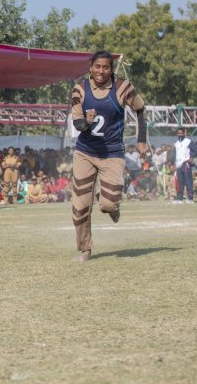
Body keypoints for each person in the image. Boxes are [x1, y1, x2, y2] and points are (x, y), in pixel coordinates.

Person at [70, 50, 147, 262]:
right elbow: (78, 125)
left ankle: (109, 203)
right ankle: (85, 249)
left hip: (112, 153)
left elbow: (140, 109)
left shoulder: (123, 87)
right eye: (97, 67)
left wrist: (141, 140)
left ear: (111, 69)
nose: (101, 71)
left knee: (108, 204)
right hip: (85, 152)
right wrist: (87, 121)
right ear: (90, 68)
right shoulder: (80, 89)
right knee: (80, 206)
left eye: (105, 67)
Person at [172, 128, 197, 204]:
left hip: (185, 164)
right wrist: (174, 163)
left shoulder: (188, 141)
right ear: (177, 134)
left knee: (188, 181)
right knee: (180, 182)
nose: (180, 134)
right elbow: (175, 154)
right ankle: (180, 198)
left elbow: (195, 150)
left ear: (184, 133)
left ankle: (190, 198)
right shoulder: (176, 143)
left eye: (181, 133)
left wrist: (191, 157)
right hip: (178, 165)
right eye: (178, 133)